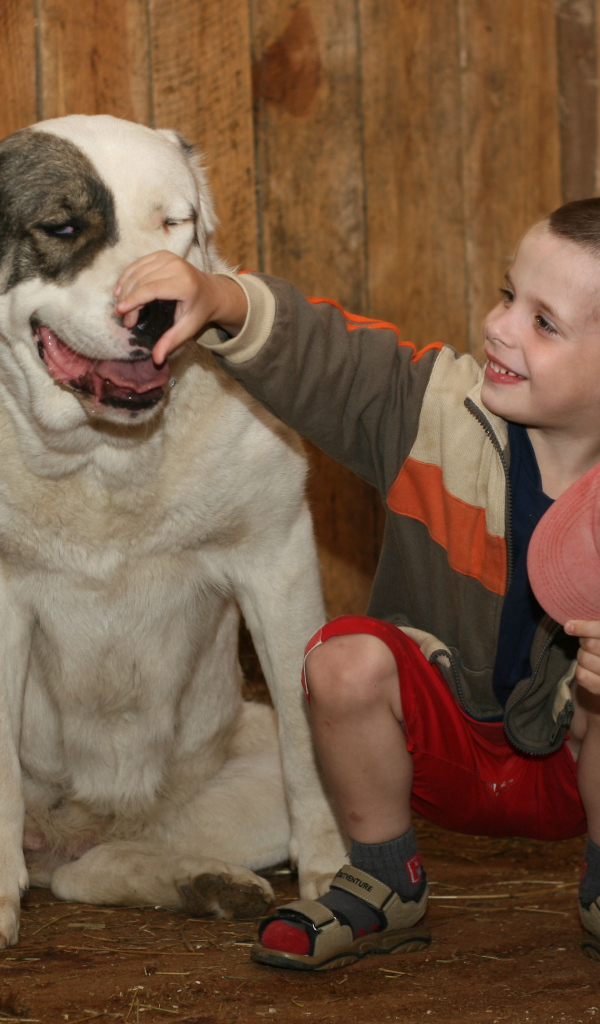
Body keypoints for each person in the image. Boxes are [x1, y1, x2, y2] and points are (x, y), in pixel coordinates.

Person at [114, 198, 600, 971]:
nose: (501, 325)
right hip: (446, 748)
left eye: (545, 323)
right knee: (343, 658)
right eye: (510, 294)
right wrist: (218, 298)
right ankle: (384, 887)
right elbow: (330, 359)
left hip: (574, 766)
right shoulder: (435, 414)